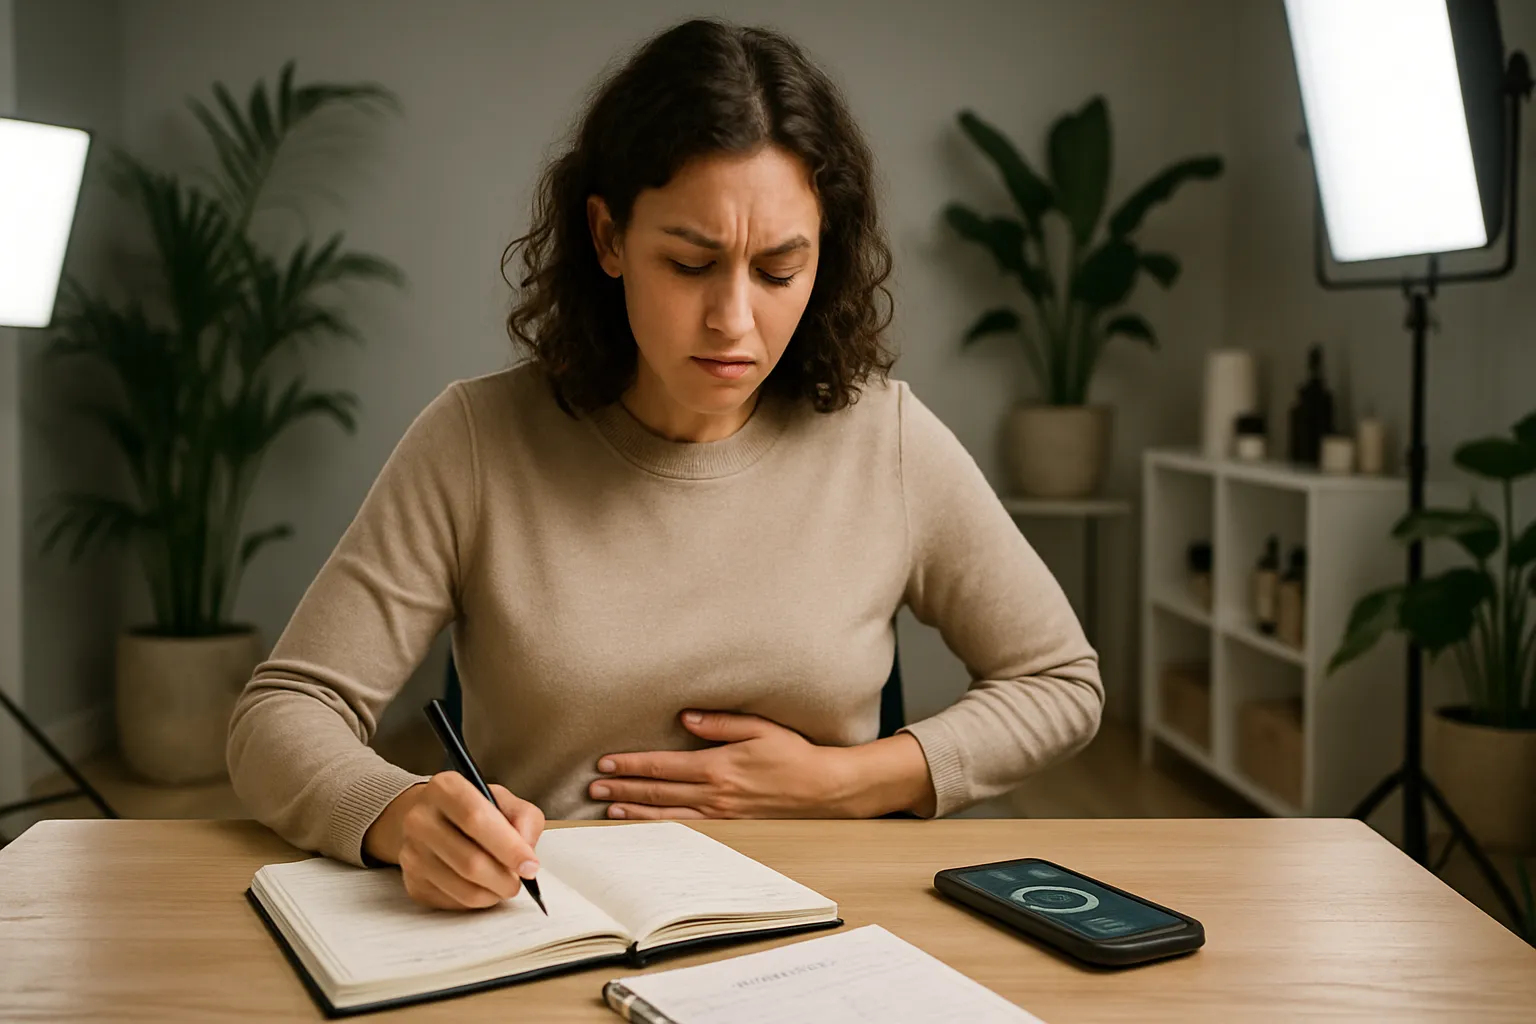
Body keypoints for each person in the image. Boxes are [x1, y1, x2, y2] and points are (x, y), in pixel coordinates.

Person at [226, 16, 1102, 913]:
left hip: (826, 933)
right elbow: (281, 714)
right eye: (691, 263)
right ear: (608, 238)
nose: (733, 319)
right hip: (548, 926)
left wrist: (846, 783)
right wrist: (399, 812)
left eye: (778, 270)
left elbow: (1061, 683)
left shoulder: (889, 440)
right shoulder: (476, 441)